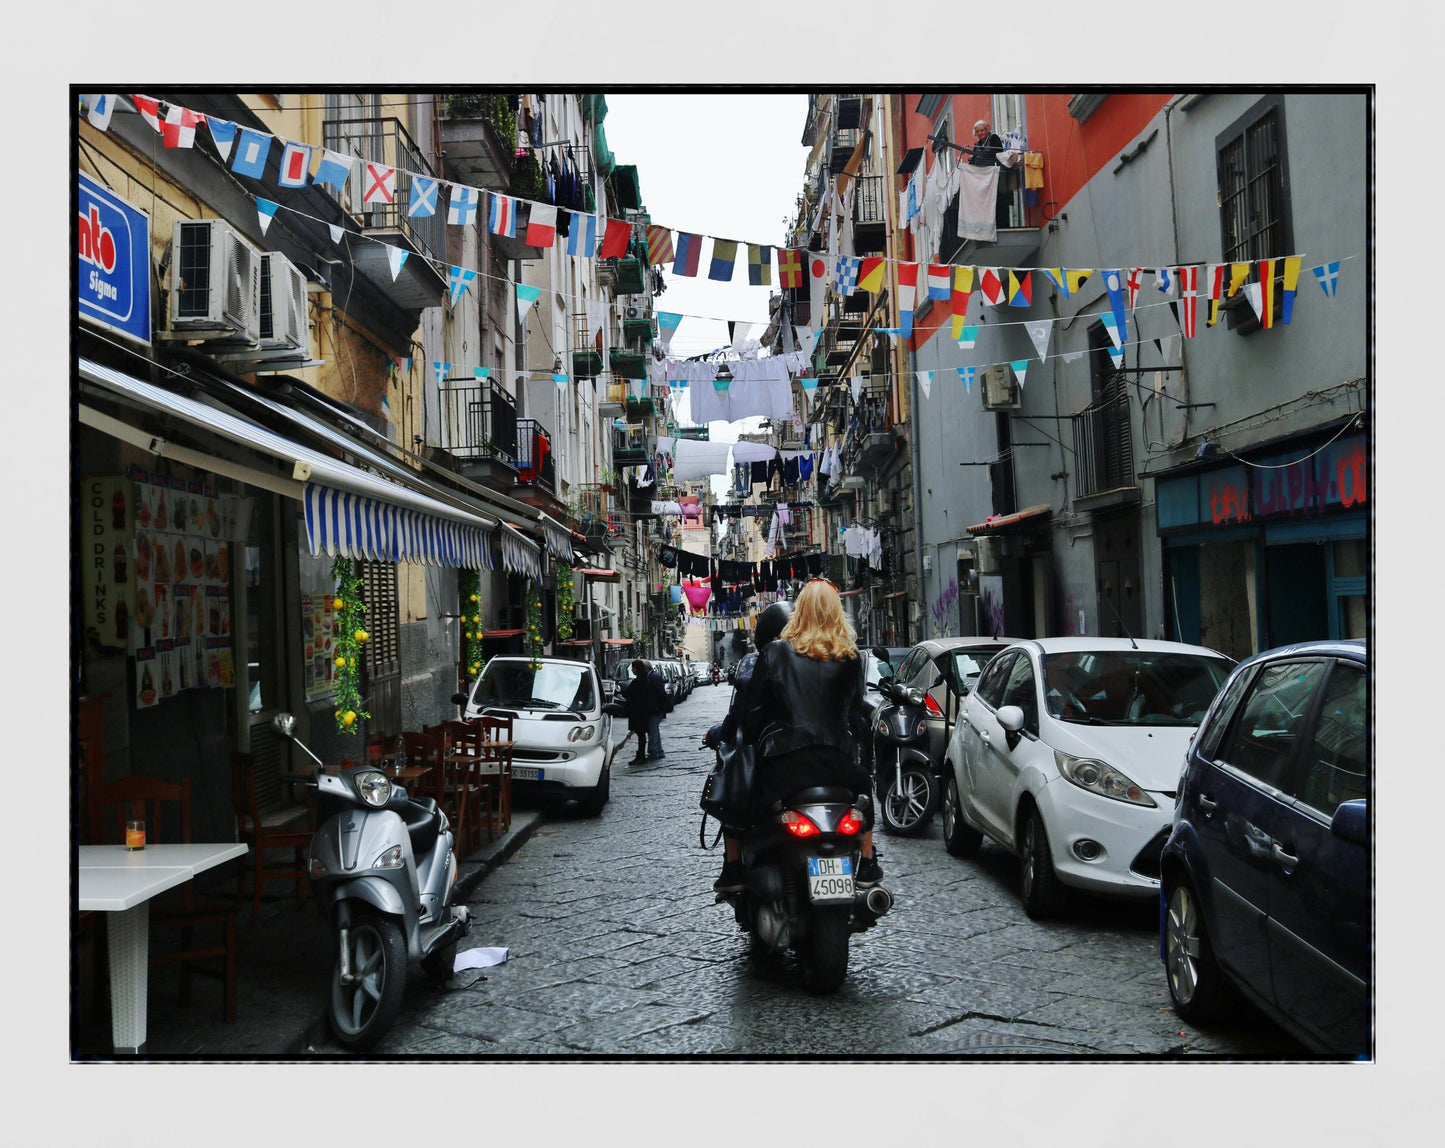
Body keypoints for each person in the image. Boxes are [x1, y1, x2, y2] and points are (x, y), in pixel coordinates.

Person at [719, 581, 882, 893]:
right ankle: (868, 861)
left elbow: (752, 714)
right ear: (838, 612)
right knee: (864, 791)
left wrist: (747, 737)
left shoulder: (775, 653)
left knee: (736, 796)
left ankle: (734, 869)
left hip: (787, 765)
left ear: (799, 612)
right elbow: (853, 709)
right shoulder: (853, 657)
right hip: (839, 765)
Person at [621, 657, 669, 763]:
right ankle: (656, 752)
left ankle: (651, 753)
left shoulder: (643, 680)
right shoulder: (646, 680)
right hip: (645, 711)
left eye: (633, 668)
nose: (632, 670)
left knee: (649, 732)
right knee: (649, 732)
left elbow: (660, 694)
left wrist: (660, 708)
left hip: (641, 712)